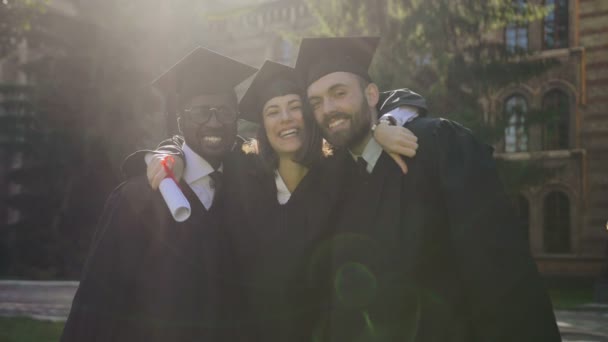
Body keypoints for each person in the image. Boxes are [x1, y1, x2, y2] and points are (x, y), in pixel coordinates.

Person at [295, 36, 561, 341]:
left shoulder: (437, 145)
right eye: (316, 102)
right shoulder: (335, 181)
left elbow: (498, 270)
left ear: (371, 94)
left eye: (339, 93)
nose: (328, 109)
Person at [140, 60, 422, 341]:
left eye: (295, 107)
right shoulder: (240, 172)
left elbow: (372, 105)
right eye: (272, 111)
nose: (285, 118)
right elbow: (199, 143)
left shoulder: (341, 172)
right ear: (263, 126)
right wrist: (170, 153)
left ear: (310, 116)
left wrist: (386, 124)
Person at [60, 47, 258, 342]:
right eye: (201, 112)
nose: (214, 122)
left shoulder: (253, 190)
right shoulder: (138, 198)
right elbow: (98, 303)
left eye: (225, 111)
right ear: (180, 121)